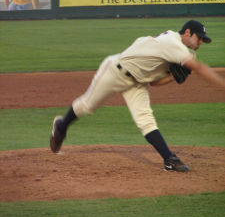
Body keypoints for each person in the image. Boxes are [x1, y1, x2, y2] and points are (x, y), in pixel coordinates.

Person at [50, 20, 225, 172]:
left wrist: (171, 77)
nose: (201, 42)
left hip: (138, 82)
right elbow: (200, 68)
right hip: (115, 71)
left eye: (203, 40)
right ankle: (61, 126)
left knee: (145, 120)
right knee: (87, 106)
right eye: (199, 37)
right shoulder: (173, 44)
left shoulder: (183, 53)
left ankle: (169, 160)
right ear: (187, 32)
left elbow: (154, 83)